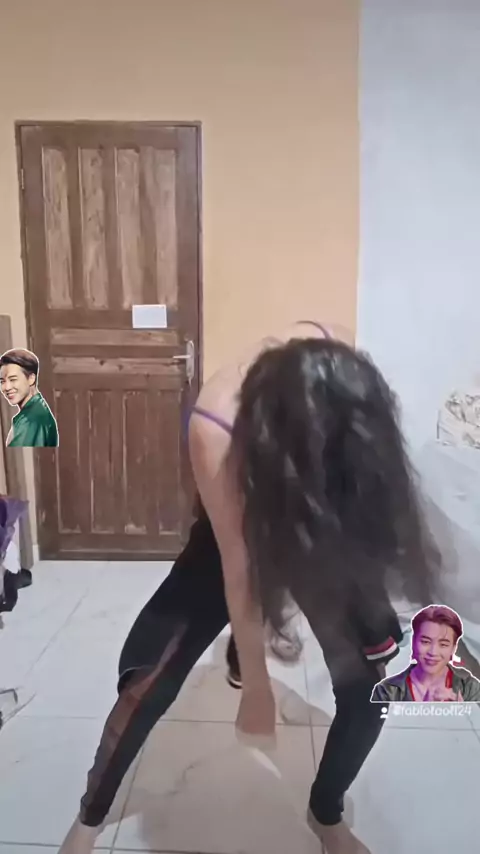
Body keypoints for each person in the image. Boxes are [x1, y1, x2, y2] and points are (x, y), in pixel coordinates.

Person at [58, 321, 440, 854]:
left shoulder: (333, 371)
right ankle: (89, 818)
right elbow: (240, 568)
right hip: (230, 536)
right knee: (149, 679)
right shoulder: (216, 425)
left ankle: (325, 812)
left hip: (316, 523)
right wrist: (257, 687)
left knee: (368, 685)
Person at [371, 604, 480, 702]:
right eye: (425, 642)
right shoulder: (387, 691)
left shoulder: (470, 688)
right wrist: (424, 710)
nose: (433, 652)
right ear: (413, 642)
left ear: (453, 648)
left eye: (443, 644)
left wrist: (464, 711)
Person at [0, 348, 59, 447]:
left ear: (31, 379)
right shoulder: (36, 411)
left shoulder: (32, 420)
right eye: (2, 381)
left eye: (13, 379)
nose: (7, 387)